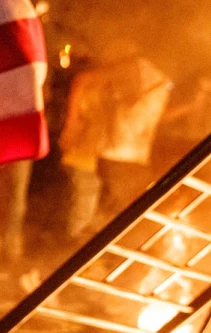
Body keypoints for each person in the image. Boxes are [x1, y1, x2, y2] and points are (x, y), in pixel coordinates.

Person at [59, 50, 172, 237]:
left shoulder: (147, 81)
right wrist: (71, 125)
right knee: (91, 206)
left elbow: (153, 115)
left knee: (97, 206)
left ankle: (85, 243)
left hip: (108, 154)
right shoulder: (131, 73)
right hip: (95, 153)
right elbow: (83, 82)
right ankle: (77, 248)